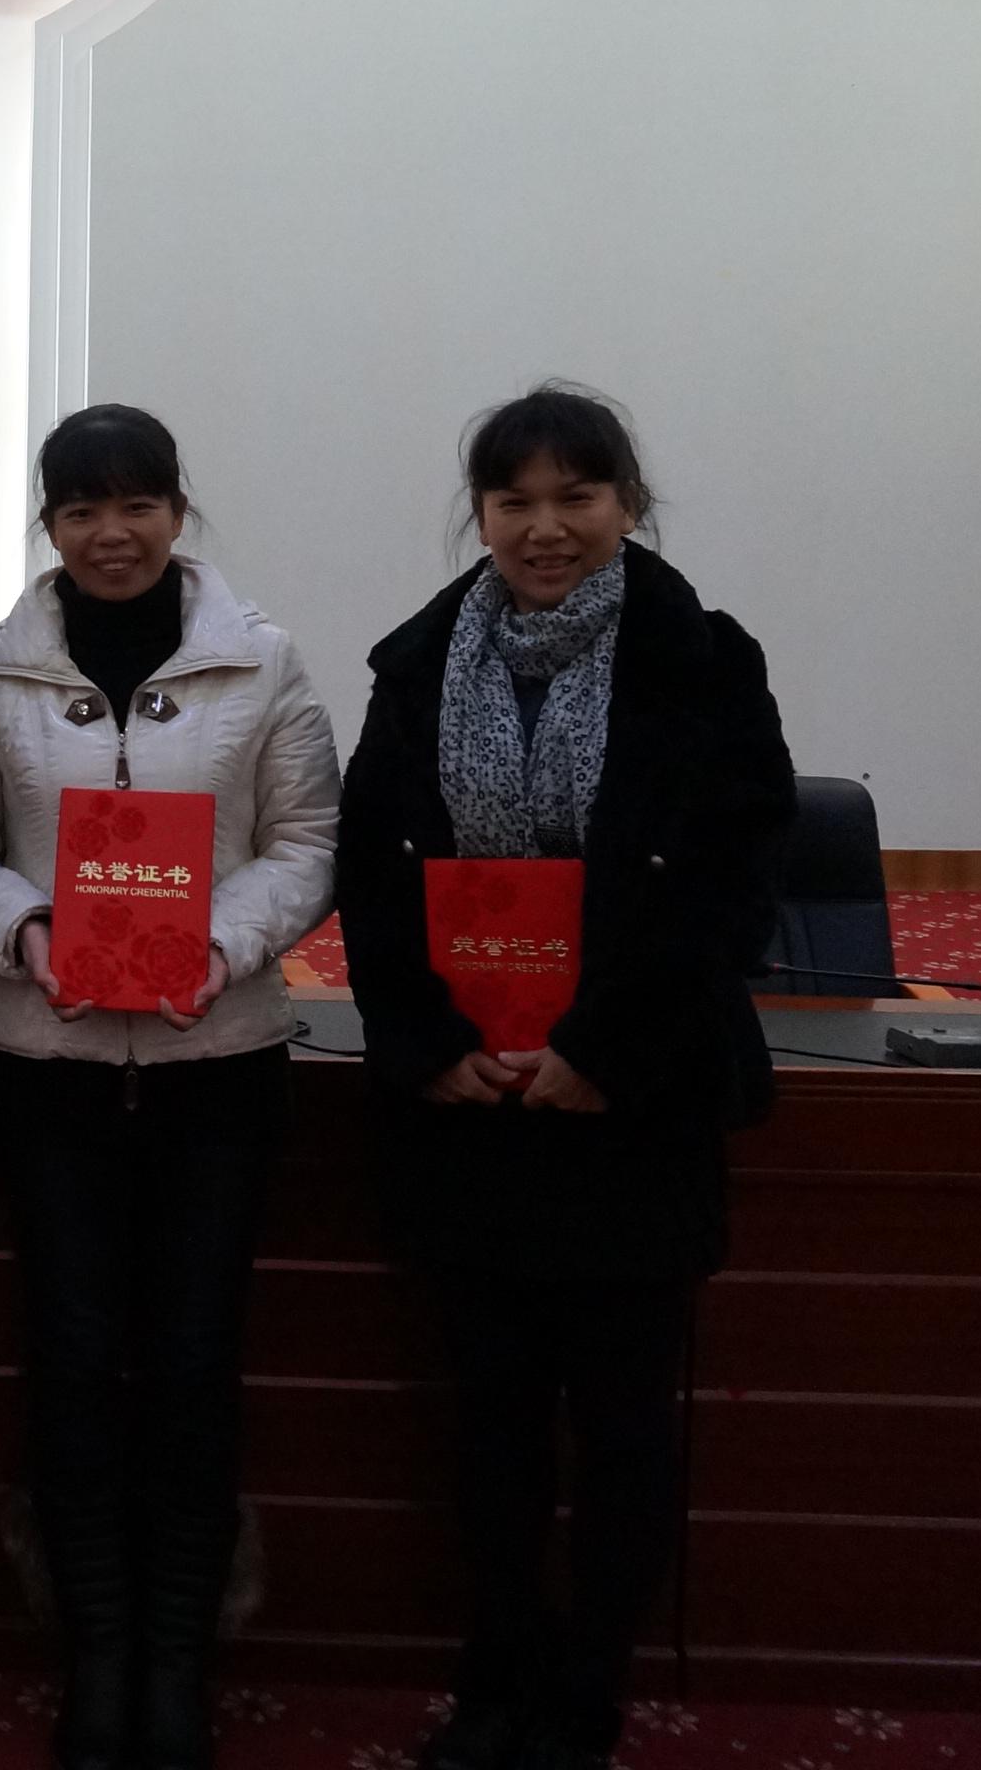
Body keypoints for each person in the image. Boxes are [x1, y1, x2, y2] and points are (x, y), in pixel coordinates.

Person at [333, 384, 794, 1770]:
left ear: (627, 506)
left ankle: (586, 1695)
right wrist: (427, 1045)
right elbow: (373, 874)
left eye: (575, 498)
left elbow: (733, 883)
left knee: (623, 1426)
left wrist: (606, 1055)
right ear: (478, 515)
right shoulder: (420, 663)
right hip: (474, 1115)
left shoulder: (703, 661)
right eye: (514, 501)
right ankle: (496, 1680)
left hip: (628, 1116)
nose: (545, 528)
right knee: (489, 1429)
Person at [0, 405, 339, 1770]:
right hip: (46, 1065)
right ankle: (95, 1649)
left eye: (136, 506)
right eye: (80, 510)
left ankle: (179, 1654)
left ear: (179, 510)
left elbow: (307, 840)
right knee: (68, 1358)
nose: (110, 534)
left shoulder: (263, 661)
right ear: (48, 525)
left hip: (215, 1065)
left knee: (190, 1360)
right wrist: (24, 932)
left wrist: (217, 946)